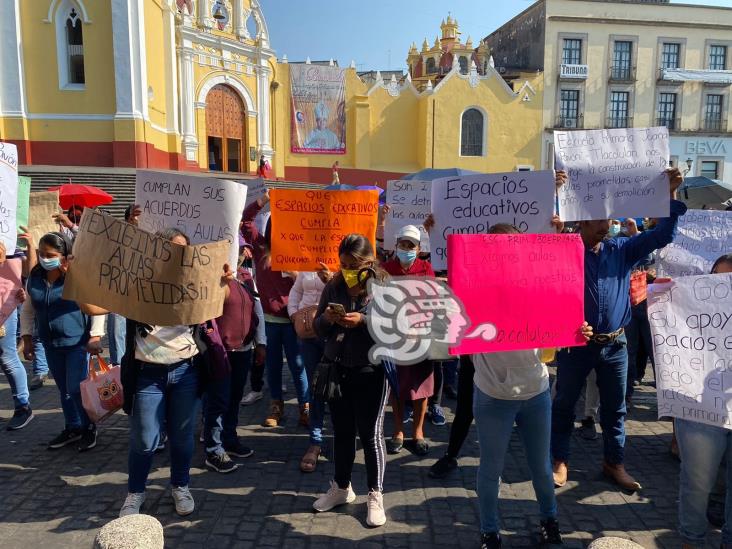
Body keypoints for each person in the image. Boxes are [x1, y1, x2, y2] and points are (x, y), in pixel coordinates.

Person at [80, 228, 232, 518]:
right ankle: (135, 493)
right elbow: (92, 305)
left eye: (183, 251)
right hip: (147, 374)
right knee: (144, 439)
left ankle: (180, 486)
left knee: (182, 436)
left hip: (186, 371)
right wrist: (76, 277)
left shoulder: (195, 282)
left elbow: (218, 303)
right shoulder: (136, 284)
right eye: (170, 249)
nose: (176, 256)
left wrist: (223, 283)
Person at [551, 167, 687, 491]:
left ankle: (614, 463)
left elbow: (662, 235)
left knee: (616, 409)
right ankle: (559, 461)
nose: (608, 224)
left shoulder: (621, 249)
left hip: (615, 346)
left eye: (609, 220)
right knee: (564, 406)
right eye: (601, 220)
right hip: (574, 345)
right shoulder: (561, 250)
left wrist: (669, 193)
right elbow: (532, 262)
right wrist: (550, 196)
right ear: (581, 221)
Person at [311, 234, 389, 527]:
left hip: (372, 370)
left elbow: (396, 328)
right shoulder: (334, 285)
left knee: (370, 435)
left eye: (353, 265)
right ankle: (341, 488)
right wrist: (329, 320)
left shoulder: (383, 286)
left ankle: (375, 494)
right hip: (338, 369)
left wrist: (364, 321)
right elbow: (317, 327)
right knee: (342, 433)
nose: (346, 270)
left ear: (368, 262)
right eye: (343, 264)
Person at [21, 232, 104, 451]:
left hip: (77, 342)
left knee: (76, 388)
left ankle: (89, 427)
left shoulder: (77, 276)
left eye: (50, 255)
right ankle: (73, 427)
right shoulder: (36, 277)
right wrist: (27, 337)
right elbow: (29, 309)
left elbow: (96, 307)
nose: (44, 258)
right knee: (63, 389)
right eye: (41, 254)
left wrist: (95, 336)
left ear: (64, 256)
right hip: (50, 343)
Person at [674, 253, 732, 549]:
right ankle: (691, 542)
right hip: (701, 409)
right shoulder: (691, 310)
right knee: (697, 484)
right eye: (720, 280)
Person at [242, 190, 309, 427]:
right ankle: (276, 407)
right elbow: (246, 221)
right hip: (270, 321)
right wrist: (263, 200)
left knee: (297, 367)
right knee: (272, 368)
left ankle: (305, 407)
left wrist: (296, 276)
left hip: (293, 321)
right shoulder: (260, 249)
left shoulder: (299, 254)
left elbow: (311, 284)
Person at [203, 234, 266, 473]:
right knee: (218, 399)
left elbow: (256, 308)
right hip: (221, 351)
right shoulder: (213, 280)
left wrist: (261, 343)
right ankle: (213, 448)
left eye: (244, 250)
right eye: (238, 250)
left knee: (234, 397)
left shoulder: (247, 279)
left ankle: (229, 439)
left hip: (243, 349)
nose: (243, 254)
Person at [381, 225, 436, 456]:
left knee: (421, 387)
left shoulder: (426, 268)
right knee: (398, 386)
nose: (406, 249)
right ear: (396, 246)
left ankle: (419, 431)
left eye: (411, 245)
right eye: (403, 244)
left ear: (419, 248)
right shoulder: (386, 269)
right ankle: (398, 431)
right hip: (395, 337)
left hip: (421, 337)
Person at [288, 265, 331, 472]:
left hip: (332, 334)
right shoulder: (305, 265)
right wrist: (294, 314)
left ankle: (342, 437)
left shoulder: (342, 262)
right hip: (307, 333)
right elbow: (296, 291)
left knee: (337, 386)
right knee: (315, 387)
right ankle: (315, 441)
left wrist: (330, 280)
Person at [0, 238, 35, 431]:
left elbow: (28, 271)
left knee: (7, 357)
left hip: (3, 304)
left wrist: (29, 245)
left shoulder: (9, 239)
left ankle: (23, 406)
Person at [429, 354, 475, 478]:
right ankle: (450, 456)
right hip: (473, 361)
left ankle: (493, 466)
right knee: (464, 412)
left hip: (504, 366)